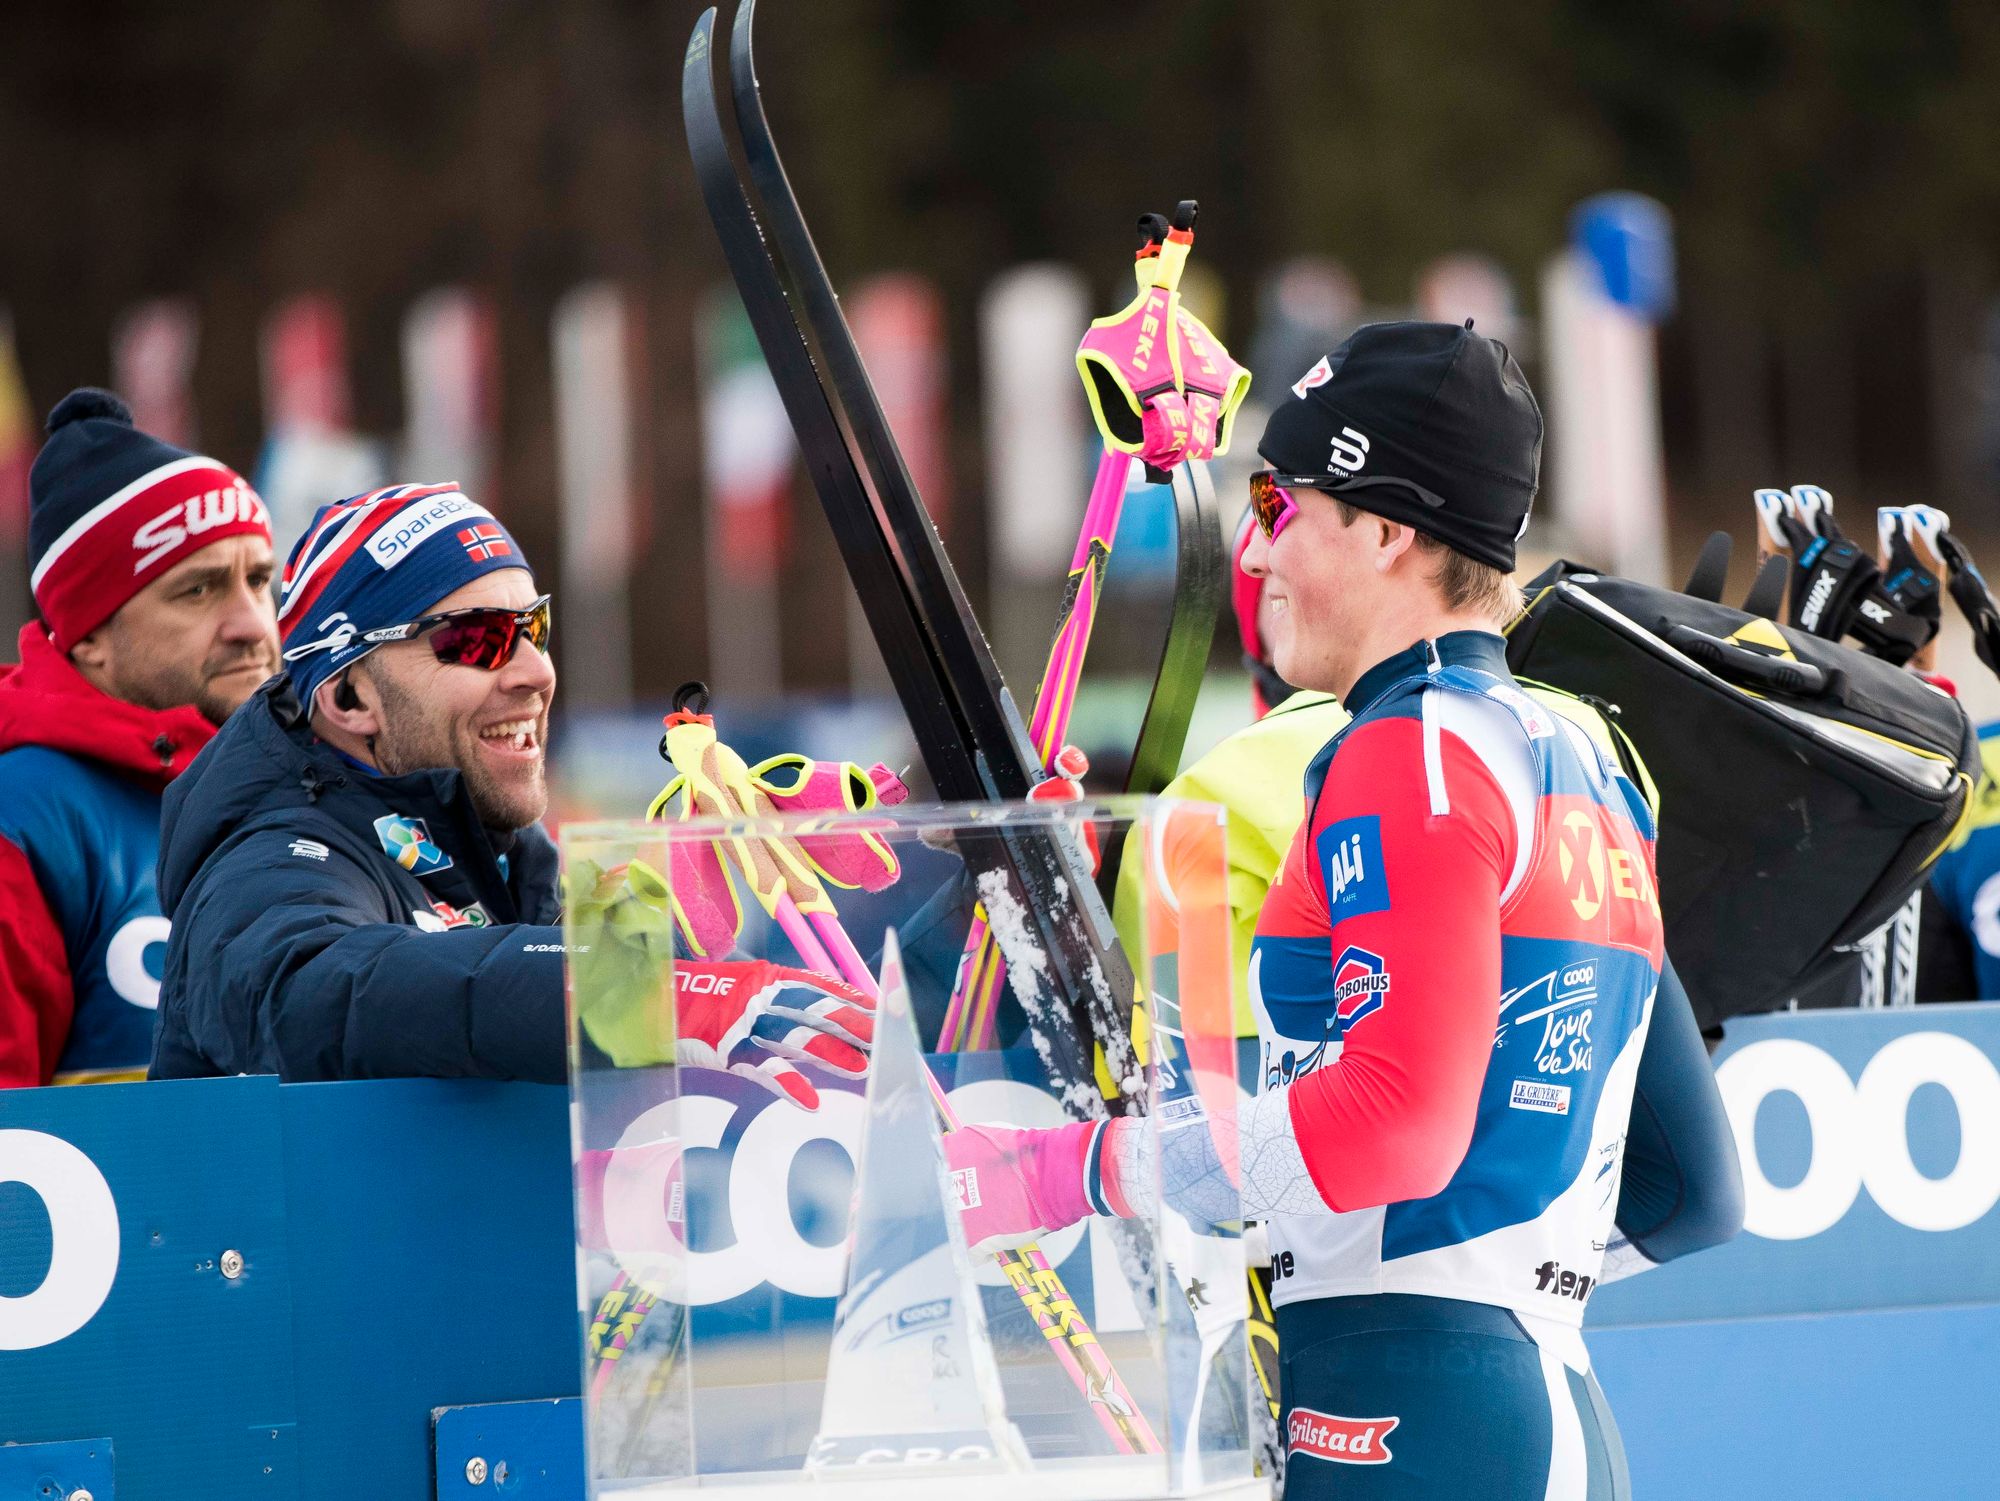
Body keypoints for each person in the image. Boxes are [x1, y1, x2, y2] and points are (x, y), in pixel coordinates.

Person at [949, 322, 1741, 1498]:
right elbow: (1690, 1190)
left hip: (1408, 1409)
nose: (1253, 556)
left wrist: (1076, 1169)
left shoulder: (1409, 749)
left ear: (1384, 531)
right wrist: (1493, 1281)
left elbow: (1393, 1123)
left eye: (1278, 506)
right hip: (1533, 1397)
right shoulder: (1581, 752)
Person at [149, 482, 872, 1104]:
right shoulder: (268, 857)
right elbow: (312, 994)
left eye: (534, 627)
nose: (534, 670)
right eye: (476, 640)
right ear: (347, 696)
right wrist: (623, 988)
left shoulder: (505, 856)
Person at [0, 388, 278, 1086]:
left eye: (259, 579)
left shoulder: (318, 787)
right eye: (198, 590)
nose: (252, 624)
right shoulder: (25, 818)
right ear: (90, 635)